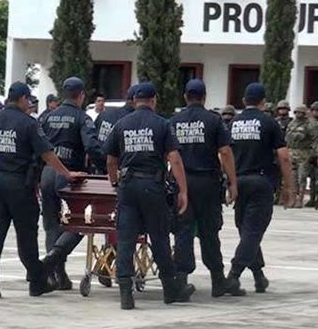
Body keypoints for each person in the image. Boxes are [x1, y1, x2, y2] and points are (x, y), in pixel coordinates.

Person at [0, 81, 84, 299]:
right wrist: (67, 174)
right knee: (26, 237)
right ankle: (37, 283)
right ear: (23, 99)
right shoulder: (28, 123)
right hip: (19, 184)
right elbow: (47, 154)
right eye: (29, 100)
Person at [104, 82, 195, 309]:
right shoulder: (162, 124)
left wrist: (115, 181)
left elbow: (110, 160)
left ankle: (125, 290)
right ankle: (170, 290)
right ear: (154, 100)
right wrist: (183, 190)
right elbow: (174, 159)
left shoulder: (121, 124)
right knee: (160, 236)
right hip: (152, 186)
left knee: (125, 238)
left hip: (128, 186)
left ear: (135, 101)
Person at [171, 79, 241, 297]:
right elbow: (226, 152)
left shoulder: (174, 120)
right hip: (207, 183)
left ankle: (180, 280)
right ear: (204, 97)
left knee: (183, 230)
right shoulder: (213, 120)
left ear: (185, 97)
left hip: (183, 181)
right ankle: (218, 280)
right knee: (210, 231)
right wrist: (232, 182)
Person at [39, 77, 106, 290]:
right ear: (81, 95)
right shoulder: (82, 118)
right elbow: (92, 148)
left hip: (47, 173)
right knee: (80, 223)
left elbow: (38, 146)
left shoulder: (48, 117)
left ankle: (55, 273)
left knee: (51, 224)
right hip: (70, 175)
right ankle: (54, 262)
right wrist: (105, 169)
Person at [227, 83, 293, 293]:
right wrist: (289, 186)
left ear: (244, 101)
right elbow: (283, 156)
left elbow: (224, 154)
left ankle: (258, 276)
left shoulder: (233, 123)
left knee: (246, 230)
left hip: (239, 182)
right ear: (263, 102)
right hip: (261, 183)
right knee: (252, 233)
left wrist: (230, 182)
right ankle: (233, 276)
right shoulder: (269, 123)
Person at [285, 105, 315, 208]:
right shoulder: (291, 123)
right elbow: (287, 138)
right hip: (292, 152)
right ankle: (292, 198)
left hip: (303, 153)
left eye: (301, 113)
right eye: (297, 112)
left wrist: (312, 153)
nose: (299, 114)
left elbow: (314, 140)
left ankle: (300, 199)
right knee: (292, 177)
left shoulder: (309, 125)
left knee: (301, 177)